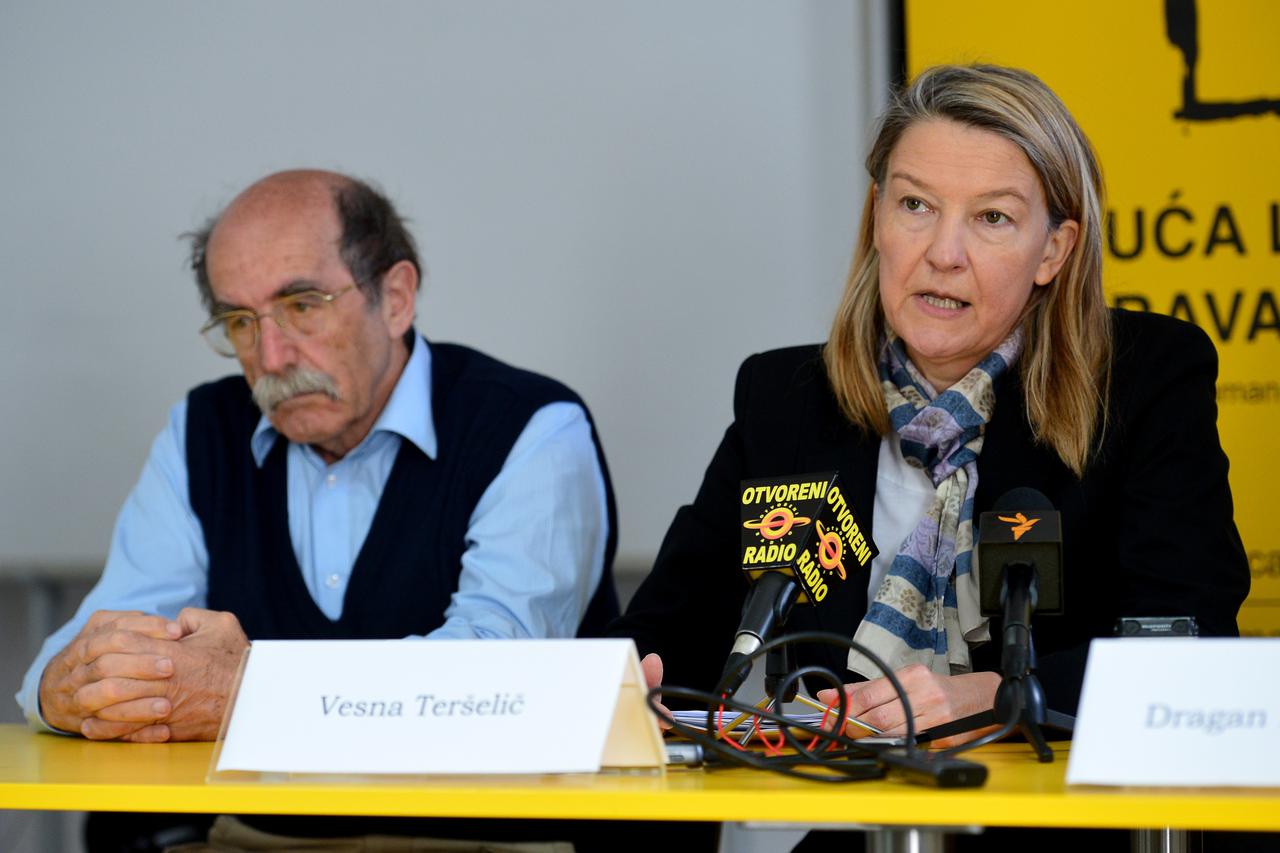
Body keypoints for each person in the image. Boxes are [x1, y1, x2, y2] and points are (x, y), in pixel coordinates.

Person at [611, 64, 1249, 850]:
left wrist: (1000, 693)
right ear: (877, 217)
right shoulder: (786, 399)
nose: (943, 253)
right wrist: (626, 695)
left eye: (992, 218)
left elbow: (1192, 650)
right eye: (915, 204)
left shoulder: (1143, 381)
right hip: (861, 829)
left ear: (1054, 250)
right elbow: (665, 639)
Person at [15, 170, 619, 849]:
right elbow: (95, 640)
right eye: (240, 322)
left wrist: (249, 691)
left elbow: (494, 685)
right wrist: (69, 687)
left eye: (302, 305)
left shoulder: (531, 428)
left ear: (395, 298)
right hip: (260, 839)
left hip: (488, 838)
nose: (271, 356)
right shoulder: (203, 430)